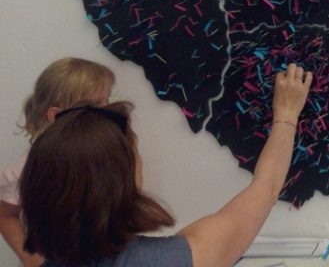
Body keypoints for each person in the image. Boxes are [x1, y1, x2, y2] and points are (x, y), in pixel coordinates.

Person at [20, 62, 312, 267]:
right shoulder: (171, 260)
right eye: (135, 151)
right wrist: (287, 115)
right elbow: (266, 187)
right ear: (119, 181)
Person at [1, 57, 116, 267]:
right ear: (56, 115)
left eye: (107, 100)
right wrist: (30, 258)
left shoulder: (105, 156)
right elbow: (5, 215)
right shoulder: (26, 169)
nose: (107, 111)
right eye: (95, 105)